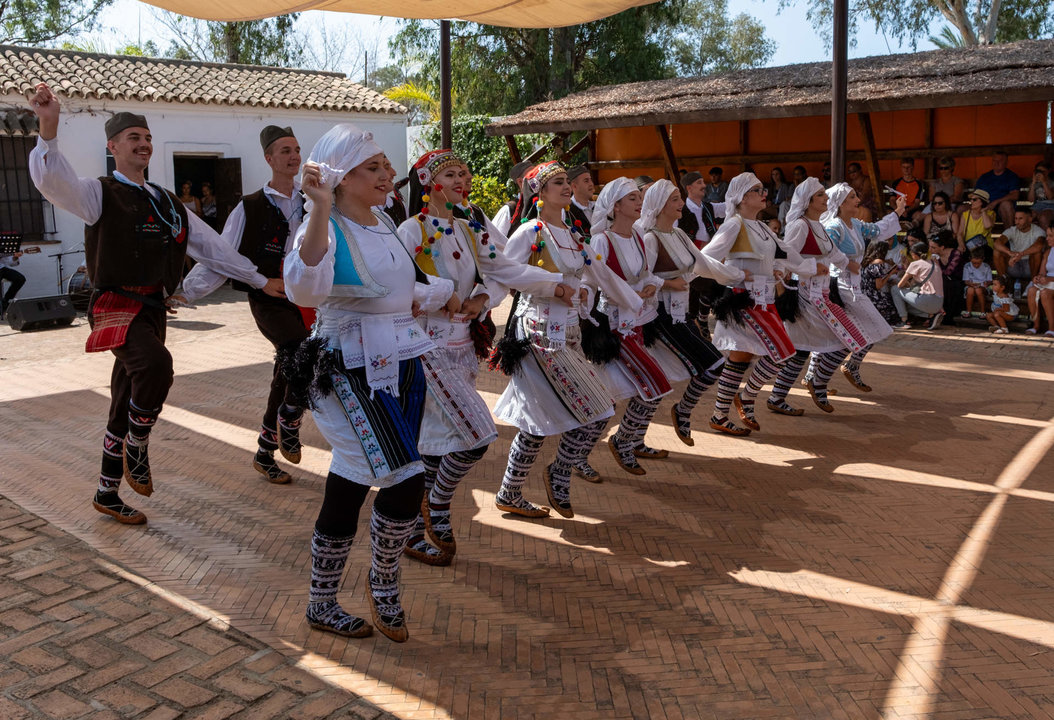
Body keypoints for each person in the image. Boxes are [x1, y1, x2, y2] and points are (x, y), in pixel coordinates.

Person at [27, 82, 281, 525]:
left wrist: (260, 279)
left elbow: (214, 249)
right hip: (114, 304)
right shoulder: (98, 193)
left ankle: (107, 492)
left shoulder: (168, 202)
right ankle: (138, 443)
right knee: (155, 367)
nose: (143, 144)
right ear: (113, 146)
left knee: (125, 392)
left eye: (147, 138)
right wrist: (48, 127)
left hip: (153, 308)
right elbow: (53, 181)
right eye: (133, 138)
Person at [284, 125, 458, 643]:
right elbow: (303, 284)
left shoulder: (384, 219)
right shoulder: (326, 224)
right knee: (404, 478)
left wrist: (443, 294)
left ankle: (337, 594)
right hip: (348, 365)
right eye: (374, 167)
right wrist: (317, 209)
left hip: (401, 359)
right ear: (341, 176)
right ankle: (377, 583)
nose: (387, 175)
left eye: (386, 165)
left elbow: (400, 288)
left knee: (356, 479)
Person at [396, 149, 562, 563]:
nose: (461, 181)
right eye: (451, 174)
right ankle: (435, 504)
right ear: (428, 182)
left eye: (465, 174)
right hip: (424, 347)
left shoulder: (472, 227)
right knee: (476, 434)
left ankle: (416, 526)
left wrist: (491, 295)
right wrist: (442, 298)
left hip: (462, 347)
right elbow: (398, 287)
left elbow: (505, 270)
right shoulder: (411, 230)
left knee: (438, 440)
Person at [492, 161, 642, 518]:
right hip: (539, 333)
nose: (565, 187)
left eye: (565, 182)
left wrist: (633, 304)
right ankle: (559, 471)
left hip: (570, 332)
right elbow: (504, 272)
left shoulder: (575, 236)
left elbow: (599, 272)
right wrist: (546, 288)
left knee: (539, 417)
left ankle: (509, 491)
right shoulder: (531, 232)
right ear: (540, 193)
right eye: (557, 183)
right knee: (599, 408)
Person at [177, 125, 310, 485]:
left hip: (307, 297)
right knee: (298, 350)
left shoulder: (311, 199)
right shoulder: (249, 207)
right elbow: (220, 255)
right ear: (269, 158)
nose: (293, 156)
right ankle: (290, 419)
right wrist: (187, 292)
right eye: (284, 150)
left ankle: (266, 450)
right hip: (268, 296)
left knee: (288, 367)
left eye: (296, 149)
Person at [700, 172, 807, 435]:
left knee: (741, 355)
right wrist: (735, 275)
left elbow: (783, 253)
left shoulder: (760, 226)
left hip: (764, 299)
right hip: (744, 301)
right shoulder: (734, 224)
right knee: (784, 351)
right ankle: (746, 397)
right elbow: (705, 259)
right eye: (758, 190)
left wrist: (779, 269)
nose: (764, 194)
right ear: (743, 197)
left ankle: (719, 414)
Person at [635, 179, 737, 446]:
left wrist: (736, 277)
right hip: (660, 316)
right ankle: (664, 421)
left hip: (681, 313)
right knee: (713, 364)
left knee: (661, 379)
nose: (682, 204)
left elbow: (703, 262)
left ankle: (634, 438)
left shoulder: (679, 235)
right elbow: (641, 278)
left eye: (680, 199)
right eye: (675, 200)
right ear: (660, 205)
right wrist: (668, 283)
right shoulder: (650, 238)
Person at [581, 177, 672, 478]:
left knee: (612, 396)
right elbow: (593, 282)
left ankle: (588, 453)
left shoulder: (637, 236)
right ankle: (617, 443)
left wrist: (648, 286)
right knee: (653, 385)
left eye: (638, 197)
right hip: (614, 328)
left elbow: (645, 274)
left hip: (637, 324)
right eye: (632, 198)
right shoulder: (601, 241)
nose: (638, 202)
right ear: (616, 206)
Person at [765, 178, 869, 414]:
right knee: (844, 339)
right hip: (804, 296)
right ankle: (808, 386)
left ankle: (783, 394)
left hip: (820, 296)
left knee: (807, 348)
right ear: (809, 201)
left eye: (825, 194)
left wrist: (850, 266)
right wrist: (811, 268)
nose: (826, 198)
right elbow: (785, 255)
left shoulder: (818, 225)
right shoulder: (800, 226)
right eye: (821, 195)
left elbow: (833, 253)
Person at [813, 183, 906, 402]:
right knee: (869, 329)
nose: (858, 200)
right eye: (853, 197)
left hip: (853, 286)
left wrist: (899, 211)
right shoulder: (835, 226)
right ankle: (836, 372)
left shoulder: (854, 224)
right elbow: (825, 250)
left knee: (847, 333)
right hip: (840, 286)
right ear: (842, 203)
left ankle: (817, 378)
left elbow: (878, 230)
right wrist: (847, 263)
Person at [891, 241, 944, 330]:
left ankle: (903, 321)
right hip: (939, 302)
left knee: (894, 289)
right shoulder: (935, 263)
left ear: (914, 254)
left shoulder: (916, 264)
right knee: (906, 304)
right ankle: (931, 315)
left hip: (927, 299)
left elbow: (900, 285)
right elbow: (914, 285)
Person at [994, 208, 1045, 284]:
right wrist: (1010, 253)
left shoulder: (1038, 231)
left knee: (1037, 253)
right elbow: (997, 243)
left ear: (1030, 219)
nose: (1017, 222)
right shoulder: (1012, 230)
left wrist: (1021, 254)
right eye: (1015, 218)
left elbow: (1039, 245)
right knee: (997, 251)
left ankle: (1033, 283)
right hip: (1013, 264)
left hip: (1030, 266)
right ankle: (1003, 282)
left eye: (1020, 219)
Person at [974, 150, 1021, 228]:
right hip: (985, 208)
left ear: (1006, 162)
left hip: (1002, 210)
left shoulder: (1011, 176)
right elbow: (976, 194)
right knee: (962, 208)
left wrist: (996, 202)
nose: (996, 163)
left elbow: (1015, 195)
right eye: (994, 160)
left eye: (1000, 161)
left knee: (1006, 205)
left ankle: (1010, 237)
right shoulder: (984, 177)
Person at [859, 240, 900, 325]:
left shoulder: (865, 261)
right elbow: (878, 286)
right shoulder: (878, 262)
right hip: (874, 297)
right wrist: (890, 273)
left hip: (864, 294)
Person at [1024, 225, 1054, 336]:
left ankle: (1052, 328)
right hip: (1048, 282)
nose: (1047, 238)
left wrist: (1048, 279)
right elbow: (1042, 272)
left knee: (1044, 293)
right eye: (1047, 235)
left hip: (1051, 282)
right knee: (1032, 290)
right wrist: (1038, 277)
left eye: (1051, 236)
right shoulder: (1048, 252)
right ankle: (1036, 325)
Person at [930, 230, 965, 321]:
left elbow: (949, 272)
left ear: (942, 247)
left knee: (946, 284)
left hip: (955, 281)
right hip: (943, 281)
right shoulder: (935, 256)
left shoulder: (956, 254)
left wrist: (937, 265)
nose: (930, 250)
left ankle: (947, 316)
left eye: (933, 247)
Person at [491, 160, 533, 235]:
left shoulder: (544, 203)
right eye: (532, 175)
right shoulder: (509, 209)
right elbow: (495, 239)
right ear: (520, 182)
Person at [957, 189, 994, 256]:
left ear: (982, 202)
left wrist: (983, 211)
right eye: (971, 199)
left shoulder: (990, 214)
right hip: (969, 245)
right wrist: (961, 244)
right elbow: (960, 233)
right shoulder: (965, 214)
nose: (971, 201)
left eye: (974, 200)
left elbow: (987, 225)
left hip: (984, 246)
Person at [891, 158, 925, 224]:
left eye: (908, 167)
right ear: (901, 168)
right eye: (904, 167)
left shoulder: (919, 184)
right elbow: (892, 200)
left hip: (911, 210)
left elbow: (916, 203)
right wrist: (898, 210)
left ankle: (910, 229)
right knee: (887, 213)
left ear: (912, 167)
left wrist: (905, 210)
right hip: (898, 208)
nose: (906, 169)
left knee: (920, 215)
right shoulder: (896, 183)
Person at [961, 247, 992, 318]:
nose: (976, 265)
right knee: (970, 290)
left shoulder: (986, 267)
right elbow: (966, 281)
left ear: (983, 259)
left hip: (983, 288)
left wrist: (986, 283)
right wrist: (971, 284)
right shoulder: (967, 266)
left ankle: (983, 312)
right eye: (974, 263)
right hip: (971, 286)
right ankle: (968, 311)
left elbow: (989, 281)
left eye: (978, 263)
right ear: (970, 259)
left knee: (978, 290)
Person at [566, 164, 595, 236]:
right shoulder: (567, 211)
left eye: (591, 180)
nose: (591, 184)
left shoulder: (597, 206)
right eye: (586, 181)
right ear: (574, 186)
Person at [0, 249, 26, 319]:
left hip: (1, 268)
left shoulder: (5, 244)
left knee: (20, 279)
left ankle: (5, 302)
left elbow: (11, 263)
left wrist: (15, 256)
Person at [1027, 162, 1054, 228]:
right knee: (1028, 217)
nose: (1040, 173)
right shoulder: (1034, 184)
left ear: (1048, 172)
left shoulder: (1052, 182)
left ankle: (1045, 237)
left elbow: (1050, 197)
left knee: (1043, 217)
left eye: (1043, 171)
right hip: (1037, 205)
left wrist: (1044, 182)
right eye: (1038, 171)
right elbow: (1031, 200)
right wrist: (1033, 183)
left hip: (1050, 206)